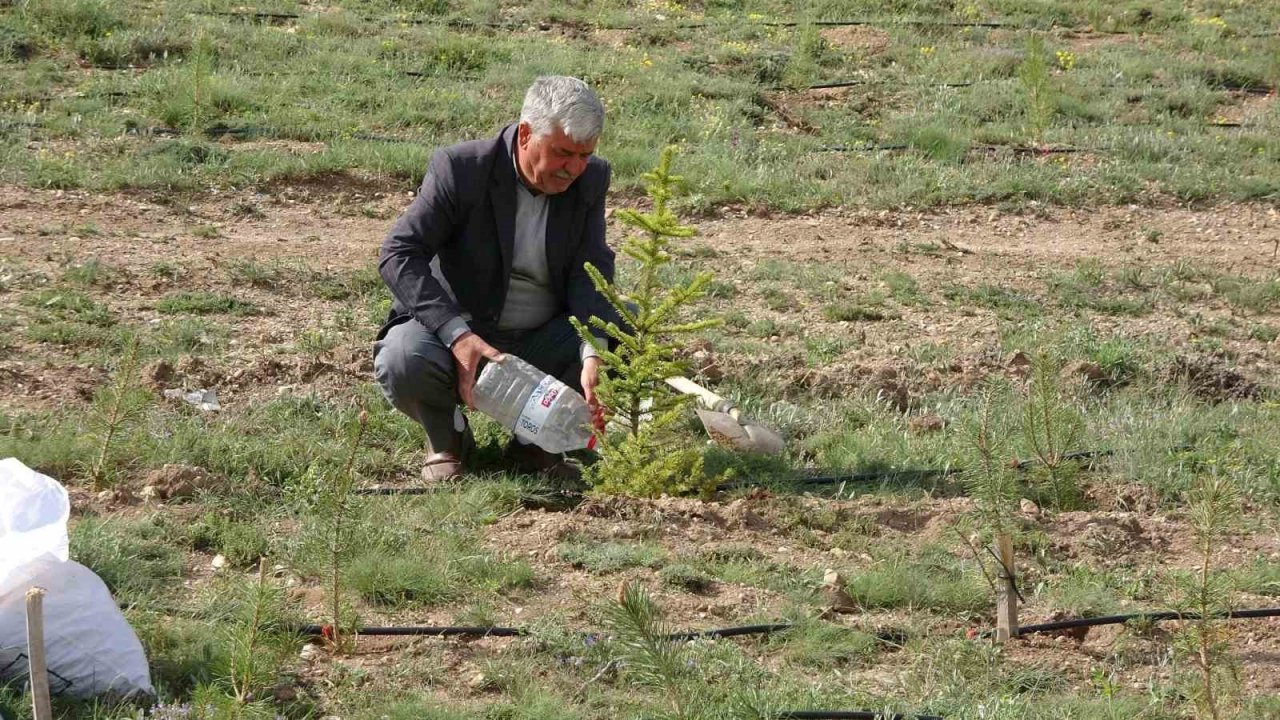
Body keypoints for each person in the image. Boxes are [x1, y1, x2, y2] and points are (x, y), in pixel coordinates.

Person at [373, 76, 618, 483]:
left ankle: (536, 446)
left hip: (543, 335)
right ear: (526, 134)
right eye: (562, 153)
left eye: (584, 156)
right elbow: (398, 253)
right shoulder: (462, 169)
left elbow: (589, 269)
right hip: (466, 337)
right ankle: (448, 439)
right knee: (402, 356)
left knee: (623, 333)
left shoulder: (591, 179)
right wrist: (457, 334)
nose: (574, 168)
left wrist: (593, 348)